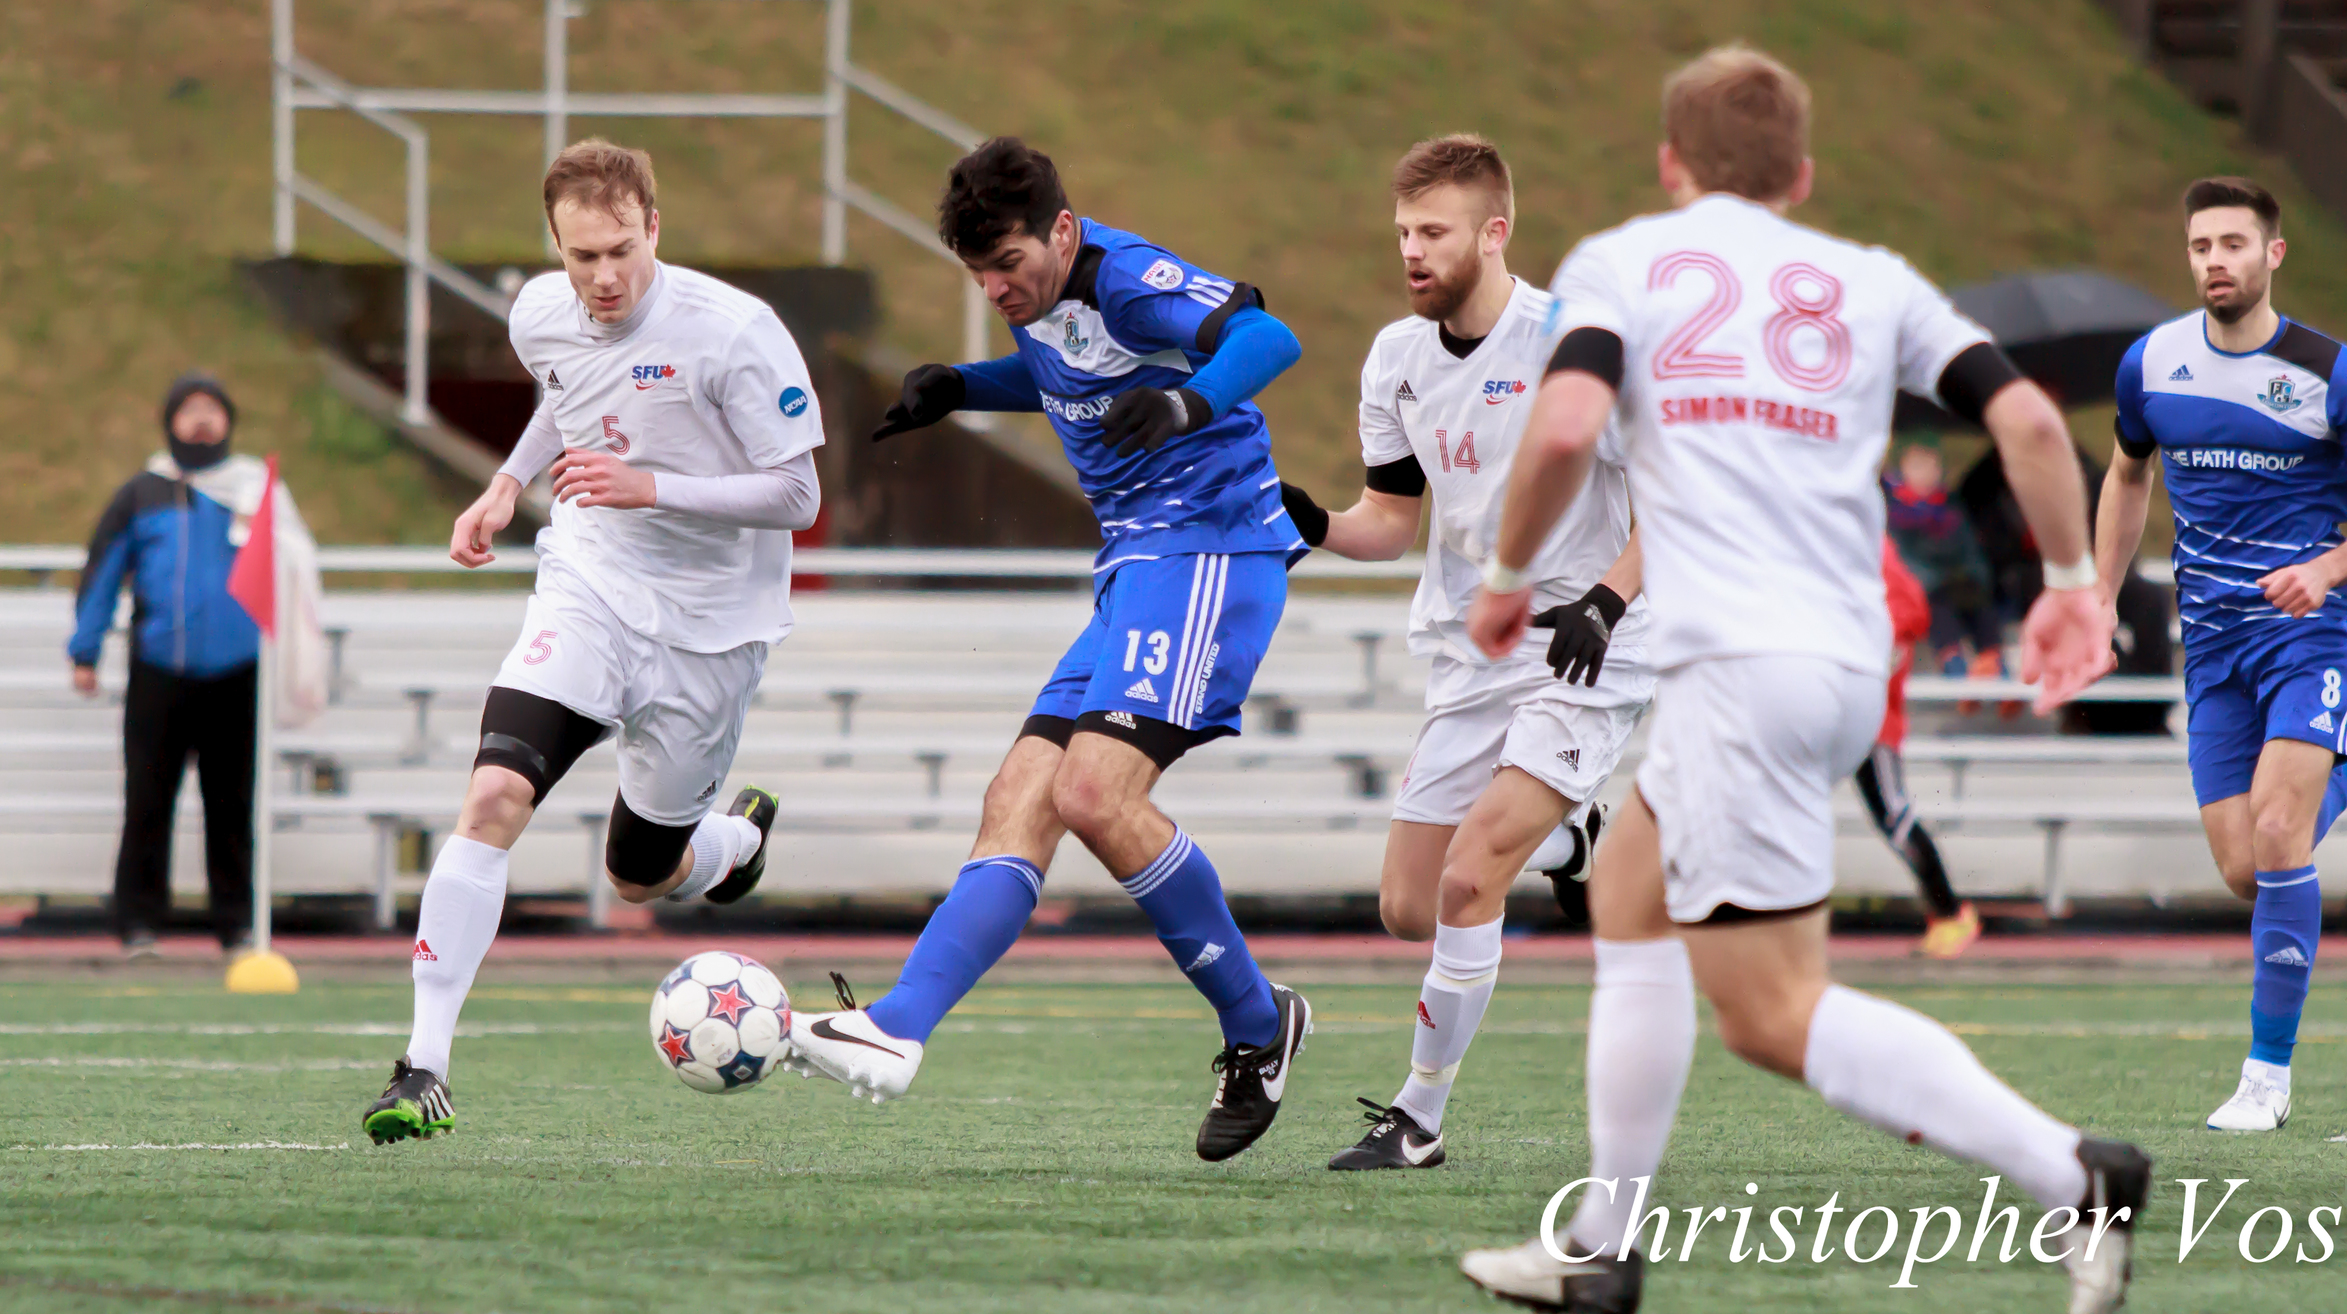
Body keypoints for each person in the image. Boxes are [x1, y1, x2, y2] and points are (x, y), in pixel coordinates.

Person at [1450, 45, 2151, 1314]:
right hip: (1837, 661)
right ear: (1803, 174)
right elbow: (2038, 428)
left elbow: (1559, 432)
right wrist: (2067, 582)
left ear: (1671, 166)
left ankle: (2076, 1173)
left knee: (1772, 1014)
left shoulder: (1623, 261)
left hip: (1738, 671)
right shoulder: (1875, 280)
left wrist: (1503, 574)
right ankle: (1601, 1243)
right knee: (1628, 895)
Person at [788, 138, 1312, 1162]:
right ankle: (897, 1025)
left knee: (1091, 795)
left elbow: (1269, 335)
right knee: (1017, 794)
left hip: (1210, 547)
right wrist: (964, 387)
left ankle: (1258, 1024)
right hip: (1135, 569)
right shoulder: (1048, 303)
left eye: (1010, 267)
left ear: (1062, 232)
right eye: (979, 275)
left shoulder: (1126, 281)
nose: (996, 289)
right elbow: (1065, 372)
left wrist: (1188, 400)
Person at [361, 139, 820, 1144]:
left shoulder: (736, 333)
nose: (602, 279)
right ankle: (424, 1063)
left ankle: (729, 845)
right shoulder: (540, 311)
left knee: (638, 874)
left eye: (619, 251)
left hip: (712, 629)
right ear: (555, 248)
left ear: (654, 227)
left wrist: (653, 484)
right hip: (593, 584)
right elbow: (568, 397)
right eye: (581, 258)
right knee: (493, 795)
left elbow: (798, 492)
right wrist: (505, 484)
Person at [1274, 135, 1649, 1172]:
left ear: (1494, 232)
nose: (1411, 251)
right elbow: (1390, 520)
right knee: (1407, 902)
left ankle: (1417, 1118)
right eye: (1402, 232)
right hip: (1469, 651)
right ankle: (1577, 843)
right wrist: (1308, 520)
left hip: (1588, 649)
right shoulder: (1394, 357)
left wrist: (1609, 600)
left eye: (1432, 232)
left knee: (1470, 876)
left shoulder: (1573, 343)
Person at [2095, 176, 2347, 1134]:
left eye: (2234, 245)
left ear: (2273, 256)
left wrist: (2328, 570)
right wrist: (2095, 595)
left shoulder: (2336, 376)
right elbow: (2128, 477)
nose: (2216, 261)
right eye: (2202, 246)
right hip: (2209, 644)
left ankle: (2266, 1078)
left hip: (2310, 635)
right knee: (2245, 871)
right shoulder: (2152, 364)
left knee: (2282, 839)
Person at [70, 375, 309, 957]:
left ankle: (236, 924)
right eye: (190, 411)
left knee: (232, 806)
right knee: (148, 801)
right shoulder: (142, 494)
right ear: (170, 421)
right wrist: (85, 649)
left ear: (229, 422)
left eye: (213, 410)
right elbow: (102, 572)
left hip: (237, 674)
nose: (202, 421)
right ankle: (138, 923)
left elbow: (296, 570)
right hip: (159, 672)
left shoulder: (256, 490)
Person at [1860, 537, 1983, 957]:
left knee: (1895, 816)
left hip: (1870, 721)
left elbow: (1910, 613)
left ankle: (1951, 912)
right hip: (1838, 714)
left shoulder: (1875, 554)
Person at [1883, 429, 2002, 682]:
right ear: (1901, 470)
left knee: (1982, 608)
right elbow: (1900, 558)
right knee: (1940, 612)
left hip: (1957, 581)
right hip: (1926, 587)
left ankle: (1994, 664)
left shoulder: (1951, 510)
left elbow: (1971, 550)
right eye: (1917, 466)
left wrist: (1975, 575)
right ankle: (1954, 666)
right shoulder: (1895, 513)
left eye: (1931, 466)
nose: (1925, 473)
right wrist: (1933, 580)